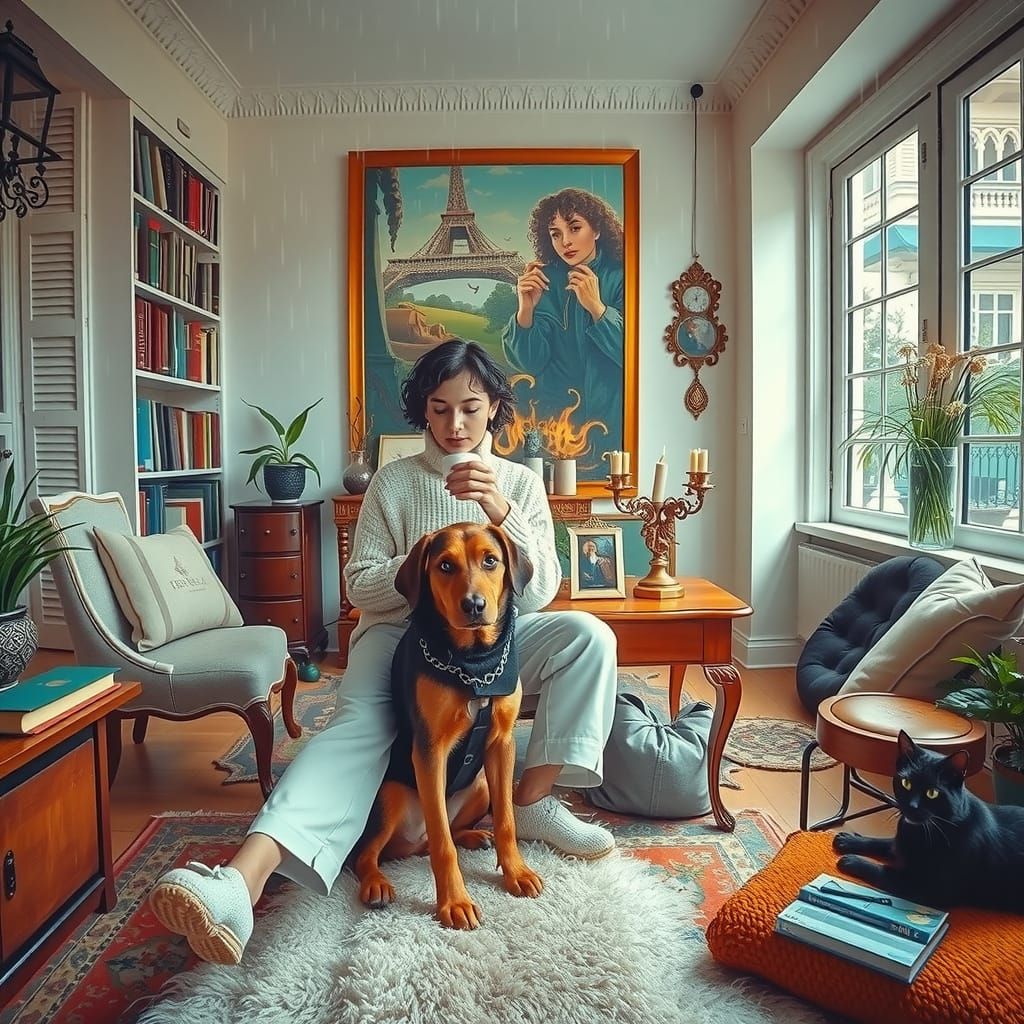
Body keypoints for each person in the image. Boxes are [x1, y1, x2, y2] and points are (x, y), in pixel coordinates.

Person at [149, 340, 619, 965]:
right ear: (422, 411)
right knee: (358, 727)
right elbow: (359, 582)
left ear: (496, 411)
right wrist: (431, 568)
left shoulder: (520, 485)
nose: (456, 425)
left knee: (590, 636)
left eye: (471, 409)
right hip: (399, 634)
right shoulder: (393, 483)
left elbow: (541, 593)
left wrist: (502, 515)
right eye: (440, 408)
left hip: (493, 636)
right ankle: (243, 881)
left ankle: (528, 806)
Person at [501, 187, 625, 454]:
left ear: (598, 230)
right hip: (555, 420)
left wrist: (597, 308)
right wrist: (525, 310)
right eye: (556, 234)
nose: (565, 241)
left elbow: (632, 355)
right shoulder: (545, 281)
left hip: (610, 419)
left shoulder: (622, 276)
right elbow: (529, 363)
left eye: (574, 228)